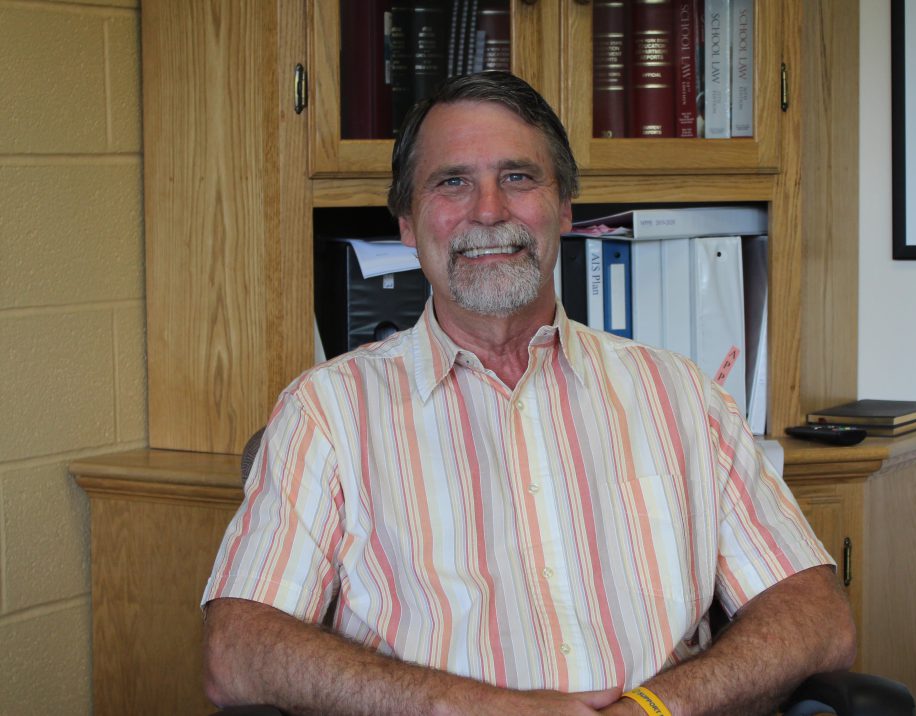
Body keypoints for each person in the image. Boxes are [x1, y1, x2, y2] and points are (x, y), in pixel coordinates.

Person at [202, 72, 855, 715]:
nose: (488, 210)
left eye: (518, 177)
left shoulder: (682, 397)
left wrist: (655, 708)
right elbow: (238, 651)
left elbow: (816, 618)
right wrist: (469, 708)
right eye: (451, 181)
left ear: (564, 207)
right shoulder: (326, 414)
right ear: (406, 222)